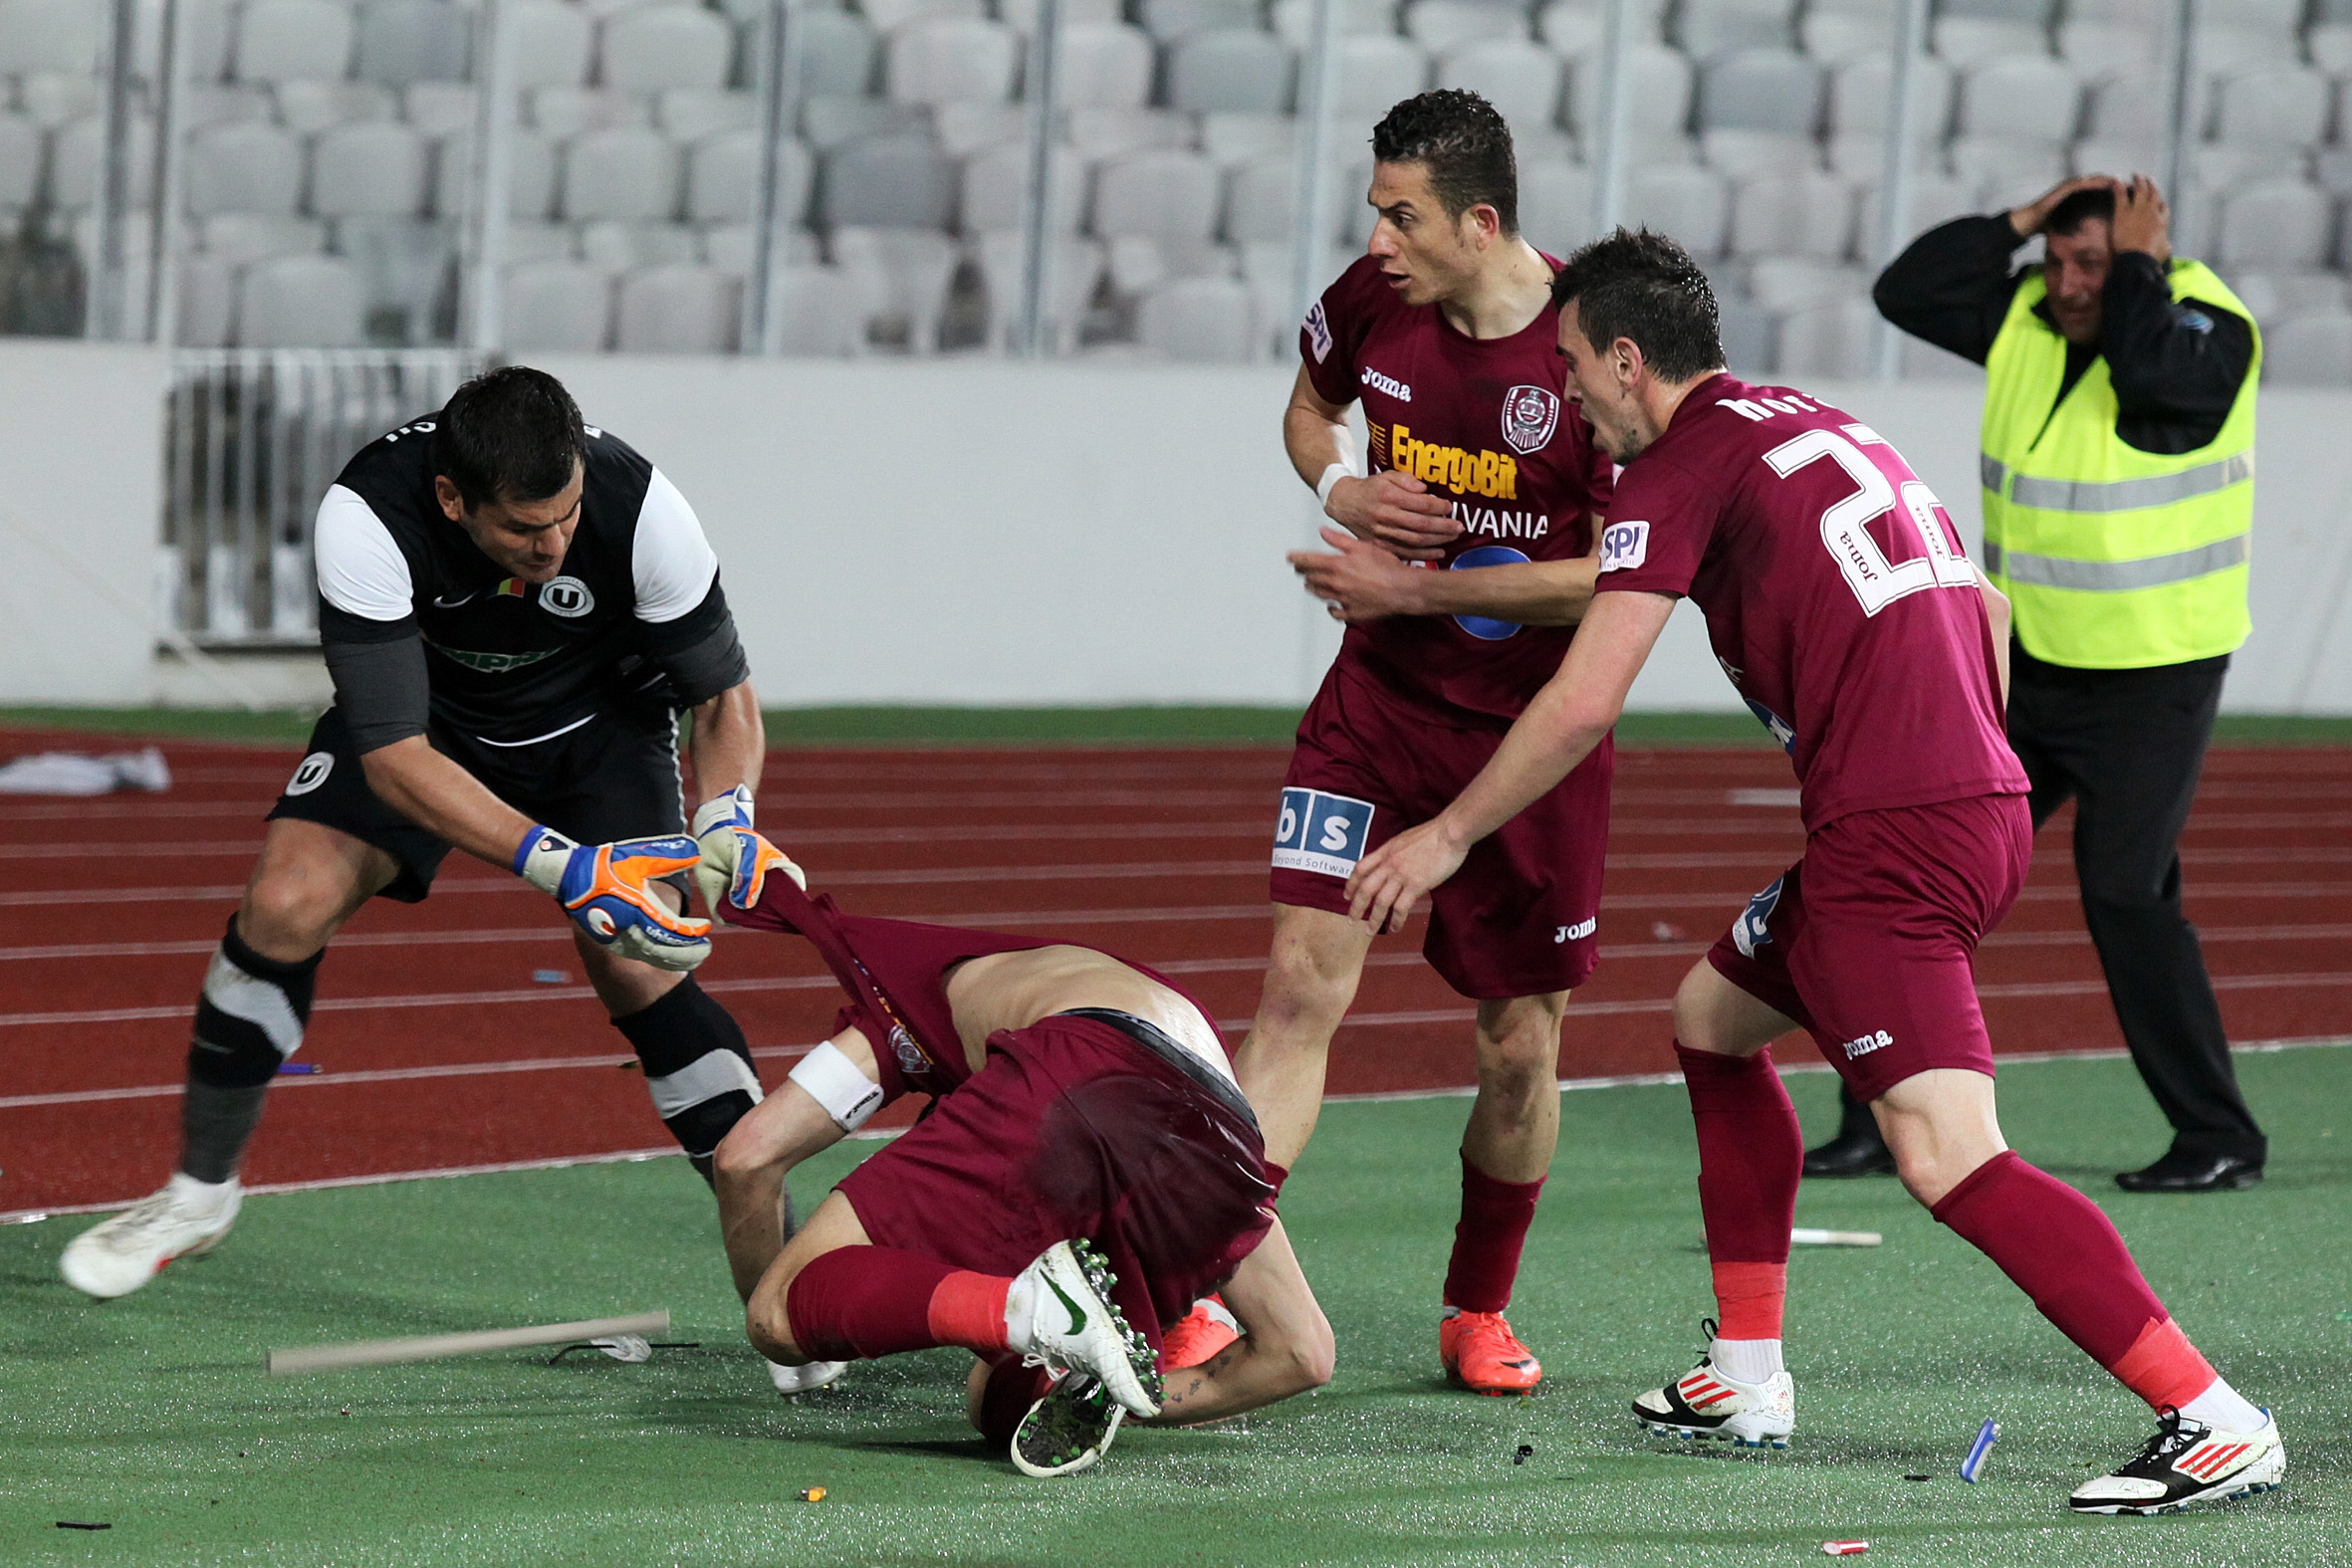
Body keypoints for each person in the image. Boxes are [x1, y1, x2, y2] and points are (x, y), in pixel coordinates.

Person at [1346, 229, 2284, 1515]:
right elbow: (1992, 611)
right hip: (1954, 805)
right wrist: (1958, 760)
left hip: (1895, 834)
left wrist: (1445, 832)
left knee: (1945, 1153)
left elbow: (1580, 701)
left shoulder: (1678, 466)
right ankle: (1743, 1370)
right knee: (1710, 1018)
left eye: (1570, 368)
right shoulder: (1803, 417)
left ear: (1627, 360)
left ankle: (2208, 1413)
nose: (1563, 394)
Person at [61, 368, 780, 1329]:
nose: (554, 544)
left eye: (565, 517)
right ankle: (198, 1194)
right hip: (430, 729)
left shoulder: (643, 507)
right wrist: (567, 868)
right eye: (526, 529)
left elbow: (723, 698)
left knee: (640, 966)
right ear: (453, 499)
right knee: (284, 901)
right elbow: (395, 755)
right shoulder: (367, 514)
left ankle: (789, 1290)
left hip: (602, 729)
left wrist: (726, 814)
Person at [1218, 88, 1617, 1397]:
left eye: (1401, 216)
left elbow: (1624, 581)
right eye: (1373, 210)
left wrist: (1422, 587)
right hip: (1372, 712)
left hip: (1526, 753)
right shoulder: (1370, 297)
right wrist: (1342, 487)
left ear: (1479, 221)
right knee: (1292, 994)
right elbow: (1303, 413)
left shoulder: (1593, 349)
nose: (1375, 238)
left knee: (1518, 1044)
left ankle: (1477, 1307)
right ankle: (1199, 1279)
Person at [1857, 174, 2266, 1195]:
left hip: (2152, 673)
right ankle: (1879, 1116)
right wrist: (2024, 220)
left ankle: (2219, 1136)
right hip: (2029, 668)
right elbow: (1904, 291)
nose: (2069, 285)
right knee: (1917, 860)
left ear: (2145, 259)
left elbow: (2149, 377)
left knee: (2126, 893)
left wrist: (2136, 268)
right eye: (2058, 263)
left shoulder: (2207, 329)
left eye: (2095, 264)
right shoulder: (2027, 319)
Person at [706, 829, 1333, 1476]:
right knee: (994, 1383)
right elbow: (1301, 1351)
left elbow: (745, 1157)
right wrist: (1131, 1392)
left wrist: (799, 1343)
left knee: (782, 1310)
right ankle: (1065, 1332)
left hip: (1079, 1066)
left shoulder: (901, 1010)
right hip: (1218, 1118)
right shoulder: (1194, 1154)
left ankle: (1037, 1313)